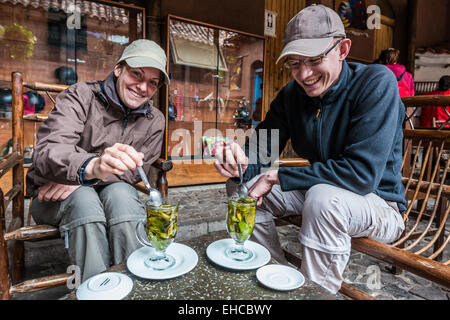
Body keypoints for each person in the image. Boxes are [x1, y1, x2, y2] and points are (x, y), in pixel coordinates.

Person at [214, 4, 406, 294]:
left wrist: (278, 176)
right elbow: (261, 150)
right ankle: (273, 274)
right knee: (242, 187)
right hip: (321, 191)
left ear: (342, 49)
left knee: (322, 199)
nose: (304, 74)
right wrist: (239, 161)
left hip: (378, 203)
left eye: (315, 59)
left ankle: (314, 293)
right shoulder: (292, 96)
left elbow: (361, 175)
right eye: (294, 62)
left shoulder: (376, 83)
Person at [26, 39, 170, 282]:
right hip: (52, 195)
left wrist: (85, 178)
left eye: (152, 83)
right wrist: (89, 167)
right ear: (118, 69)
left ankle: (134, 287)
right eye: (137, 74)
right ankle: (97, 289)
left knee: (122, 194)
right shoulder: (80, 96)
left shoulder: (155, 119)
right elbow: (47, 152)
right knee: (83, 199)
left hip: (106, 193)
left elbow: (136, 173)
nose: (143, 87)